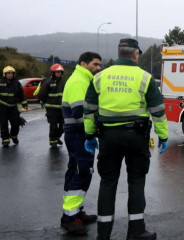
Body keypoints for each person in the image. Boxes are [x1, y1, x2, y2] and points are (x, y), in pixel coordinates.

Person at [84, 38, 168, 240]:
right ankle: (136, 231)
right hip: (136, 137)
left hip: (107, 137)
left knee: (107, 183)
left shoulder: (100, 77)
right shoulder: (145, 78)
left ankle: (103, 234)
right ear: (136, 55)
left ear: (119, 53)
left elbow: (88, 110)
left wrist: (89, 136)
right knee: (137, 182)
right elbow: (157, 111)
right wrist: (163, 136)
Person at [60, 52, 102, 235]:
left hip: (78, 134)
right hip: (78, 134)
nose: (98, 68)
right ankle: (69, 218)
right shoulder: (79, 81)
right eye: (95, 64)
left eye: (99, 65)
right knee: (81, 171)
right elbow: (79, 111)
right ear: (83, 63)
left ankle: (76, 211)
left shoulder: (82, 79)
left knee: (77, 170)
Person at [38, 64, 66, 148]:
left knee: (63, 126)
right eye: (57, 72)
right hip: (51, 109)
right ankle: (53, 142)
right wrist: (45, 103)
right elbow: (42, 95)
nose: (59, 74)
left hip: (62, 108)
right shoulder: (48, 83)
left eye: (60, 72)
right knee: (53, 126)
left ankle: (57, 137)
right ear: (53, 73)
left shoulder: (63, 83)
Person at [0, 66, 28, 148]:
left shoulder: (17, 83)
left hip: (13, 107)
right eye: (8, 73)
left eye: (11, 73)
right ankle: (5, 140)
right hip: (2, 106)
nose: (10, 75)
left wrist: (24, 103)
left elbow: (21, 94)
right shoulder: (0, 82)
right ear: (4, 74)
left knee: (16, 123)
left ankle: (13, 136)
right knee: (3, 124)